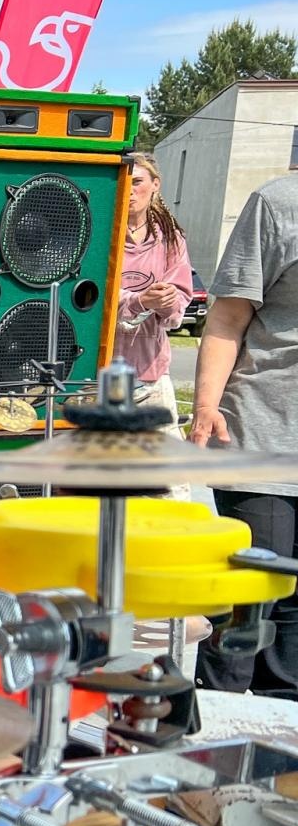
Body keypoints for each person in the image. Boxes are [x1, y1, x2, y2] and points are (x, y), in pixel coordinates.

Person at [190, 172, 298, 701]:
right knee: (249, 599)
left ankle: (280, 744)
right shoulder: (278, 204)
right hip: (264, 431)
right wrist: (205, 407)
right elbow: (228, 318)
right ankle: (215, 733)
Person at [112, 154, 191, 436]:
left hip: (151, 372)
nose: (130, 189)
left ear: (155, 184)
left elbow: (178, 307)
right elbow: (89, 297)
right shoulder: (101, 234)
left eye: (138, 182)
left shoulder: (170, 238)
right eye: (124, 182)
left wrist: (167, 301)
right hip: (100, 373)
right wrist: (139, 301)